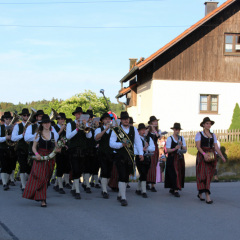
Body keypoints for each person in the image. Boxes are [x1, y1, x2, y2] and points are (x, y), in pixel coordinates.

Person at [22, 114, 60, 207]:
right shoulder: (38, 134)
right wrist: (37, 154)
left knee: (47, 178)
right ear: (42, 124)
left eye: (48, 123)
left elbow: (56, 147)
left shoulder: (54, 134)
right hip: (40, 156)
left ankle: (40, 195)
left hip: (50, 157)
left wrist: (59, 149)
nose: (47, 124)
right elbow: (34, 147)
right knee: (40, 177)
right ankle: (43, 200)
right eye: (45, 123)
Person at [110, 111, 143, 206]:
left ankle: (120, 194)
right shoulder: (116, 130)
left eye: (127, 119)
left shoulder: (134, 129)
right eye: (124, 119)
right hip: (120, 156)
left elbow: (138, 142)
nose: (126, 120)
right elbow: (111, 143)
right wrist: (121, 144)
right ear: (121, 120)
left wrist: (141, 154)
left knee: (126, 176)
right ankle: (123, 198)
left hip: (130, 157)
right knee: (122, 175)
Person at [195, 117, 226, 204]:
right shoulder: (199, 134)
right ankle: (205, 194)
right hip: (202, 156)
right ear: (203, 125)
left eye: (210, 123)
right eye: (207, 123)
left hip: (211, 156)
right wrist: (204, 154)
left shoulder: (213, 135)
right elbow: (198, 147)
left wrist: (222, 156)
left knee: (208, 175)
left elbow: (216, 147)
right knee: (202, 175)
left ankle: (204, 193)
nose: (209, 125)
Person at [66, 107, 92, 199]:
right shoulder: (70, 124)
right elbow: (68, 136)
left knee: (80, 170)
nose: (79, 115)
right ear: (75, 115)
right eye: (77, 114)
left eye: (80, 114)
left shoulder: (85, 124)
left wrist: (86, 126)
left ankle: (74, 188)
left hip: (83, 150)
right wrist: (77, 129)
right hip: (73, 150)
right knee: (75, 169)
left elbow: (89, 136)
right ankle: (77, 191)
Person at [11, 108, 31, 192]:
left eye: (27, 115)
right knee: (22, 167)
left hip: (30, 149)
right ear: (22, 116)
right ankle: (23, 185)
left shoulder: (31, 125)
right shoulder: (17, 126)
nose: (26, 116)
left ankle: (28, 184)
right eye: (24, 115)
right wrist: (22, 135)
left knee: (29, 168)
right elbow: (13, 138)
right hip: (21, 149)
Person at [165, 123, 187, 197]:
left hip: (179, 158)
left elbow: (185, 149)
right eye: (176, 129)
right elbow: (167, 150)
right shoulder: (170, 138)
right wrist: (175, 148)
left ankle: (174, 188)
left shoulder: (181, 138)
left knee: (179, 173)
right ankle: (175, 189)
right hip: (172, 158)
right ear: (174, 130)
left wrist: (182, 145)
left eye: (179, 130)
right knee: (174, 173)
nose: (177, 131)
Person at [95, 112, 113, 199]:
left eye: (109, 119)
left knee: (109, 172)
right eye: (106, 119)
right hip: (102, 153)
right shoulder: (99, 129)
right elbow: (97, 137)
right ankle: (104, 190)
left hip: (111, 153)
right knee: (104, 171)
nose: (108, 120)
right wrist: (105, 129)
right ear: (102, 120)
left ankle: (104, 185)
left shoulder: (114, 129)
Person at [53, 112, 71, 194]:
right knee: (59, 167)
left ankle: (57, 184)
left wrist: (66, 143)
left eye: (63, 119)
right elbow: (54, 137)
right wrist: (61, 130)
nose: (62, 121)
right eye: (60, 119)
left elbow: (68, 137)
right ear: (57, 120)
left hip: (65, 150)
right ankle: (60, 186)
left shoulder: (66, 127)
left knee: (65, 167)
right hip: (58, 149)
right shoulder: (54, 127)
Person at [135, 123, 155, 198]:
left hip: (147, 158)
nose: (143, 132)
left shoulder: (148, 138)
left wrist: (147, 147)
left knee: (144, 174)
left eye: (144, 130)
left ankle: (138, 189)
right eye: (142, 130)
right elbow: (134, 148)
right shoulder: (136, 138)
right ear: (139, 131)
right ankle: (144, 191)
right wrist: (141, 149)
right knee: (143, 173)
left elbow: (153, 148)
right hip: (139, 157)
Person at [82, 109, 99, 193]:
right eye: (89, 117)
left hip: (93, 148)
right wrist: (86, 125)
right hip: (85, 148)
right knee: (86, 166)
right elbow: (86, 135)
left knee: (91, 166)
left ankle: (86, 182)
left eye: (91, 117)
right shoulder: (83, 125)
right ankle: (87, 184)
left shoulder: (94, 126)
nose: (90, 118)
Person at [146, 116, 161, 192]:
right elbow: (145, 135)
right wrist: (148, 128)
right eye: (154, 121)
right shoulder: (148, 130)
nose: (156, 123)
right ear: (151, 122)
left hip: (155, 148)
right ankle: (147, 182)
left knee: (153, 165)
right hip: (148, 147)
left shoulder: (158, 131)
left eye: (156, 121)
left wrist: (154, 129)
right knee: (148, 165)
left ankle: (152, 184)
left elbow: (158, 137)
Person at [0, 112, 14, 190]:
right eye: (6, 119)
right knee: (3, 165)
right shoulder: (1, 127)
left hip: (11, 149)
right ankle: (4, 183)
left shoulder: (13, 127)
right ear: (4, 119)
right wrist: (6, 138)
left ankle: (7, 180)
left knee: (10, 167)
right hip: (3, 148)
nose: (8, 120)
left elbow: (15, 138)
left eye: (10, 119)